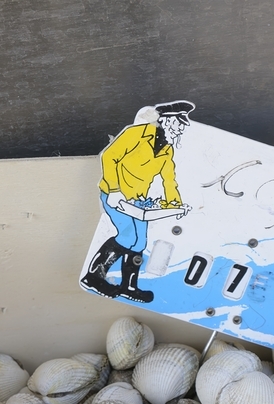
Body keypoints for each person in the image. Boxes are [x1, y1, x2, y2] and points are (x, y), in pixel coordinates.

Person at [81, 101, 194, 303]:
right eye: (179, 122)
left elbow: (169, 179)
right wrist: (115, 190)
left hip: (137, 202)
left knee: (139, 241)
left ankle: (129, 287)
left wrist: (175, 205)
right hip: (115, 195)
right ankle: (93, 277)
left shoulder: (167, 150)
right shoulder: (136, 134)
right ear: (166, 121)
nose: (181, 127)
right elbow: (109, 156)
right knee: (127, 236)